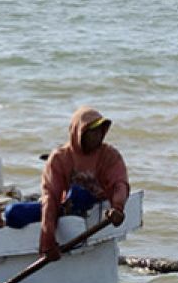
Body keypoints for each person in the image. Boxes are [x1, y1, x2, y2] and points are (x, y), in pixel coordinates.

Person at [39, 106, 129, 261]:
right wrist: (47, 241)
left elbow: (120, 184)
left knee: (78, 194)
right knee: (13, 213)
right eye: (92, 131)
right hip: (65, 209)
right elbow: (51, 198)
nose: (98, 135)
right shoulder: (59, 158)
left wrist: (117, 208)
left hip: (94, 205)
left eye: (100, 130)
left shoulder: (109, 155)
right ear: (79, 133)